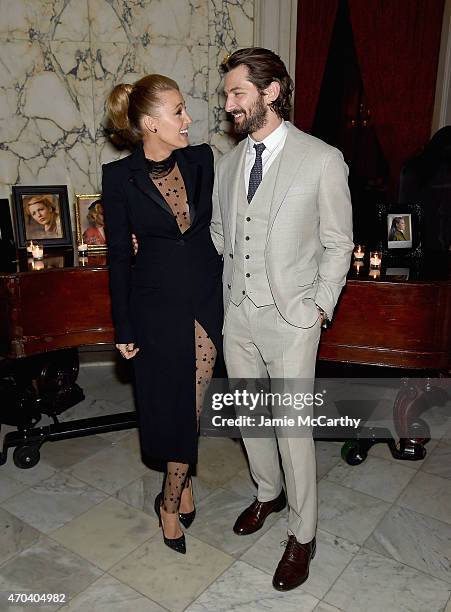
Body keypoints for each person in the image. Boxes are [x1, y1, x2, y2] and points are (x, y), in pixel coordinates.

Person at [210, 48, 353, 591]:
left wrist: (319, 305)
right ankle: (267, 494)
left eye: (237, 93)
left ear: (271, 92)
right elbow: (223, 234)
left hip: (293, 318)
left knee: (293, 429)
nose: (229, 105)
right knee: (251, 417)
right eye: (227, 95)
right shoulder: (228, 164)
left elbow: (339, 243)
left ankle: (304, 533)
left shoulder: (321, 159)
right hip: (239, 315)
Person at [102, 74, 223, 555]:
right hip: (154, 307)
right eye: (178, 111)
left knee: (190, 404)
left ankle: (169, 499)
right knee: (175, 405)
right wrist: (123, 326)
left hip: (206, 298)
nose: (188, 119)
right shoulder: (118, 178)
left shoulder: (203, 160)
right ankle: (175, 497)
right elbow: (116, 257)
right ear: (150, 123)